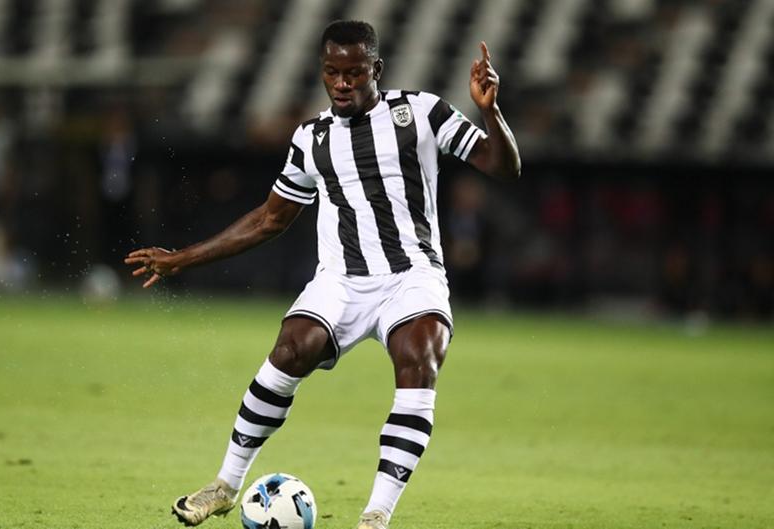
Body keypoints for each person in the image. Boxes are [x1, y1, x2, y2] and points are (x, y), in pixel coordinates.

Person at [125, 20, 520, 529]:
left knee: (419, 359)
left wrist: (490, 112)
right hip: (341, 280)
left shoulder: (422, 112)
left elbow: (503, 166)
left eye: (354, 72)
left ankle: (376, 515)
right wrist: (182, 258)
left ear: (376, 69)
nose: (342, 83)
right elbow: (269, 220)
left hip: (412, 275)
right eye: (332, 72)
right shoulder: (311, 138)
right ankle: (224, 486)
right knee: (289, 352)